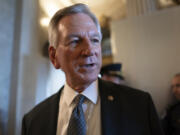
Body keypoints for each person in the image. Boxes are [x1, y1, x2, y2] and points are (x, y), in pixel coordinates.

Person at [21, 3, 164, 135]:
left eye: (95, 40)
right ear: (54, 56)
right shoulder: (33, 121)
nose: (89, 51)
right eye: (75, 41)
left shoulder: (139, 106)